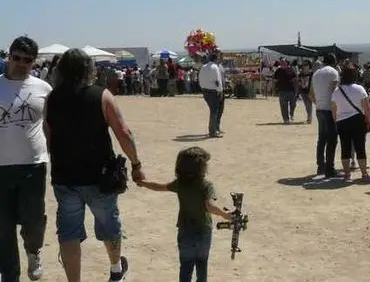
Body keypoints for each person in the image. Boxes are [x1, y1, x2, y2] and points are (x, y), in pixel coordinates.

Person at [44, 48, 145, 282]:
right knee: (109, 226)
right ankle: (116, 270)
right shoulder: (102, 95)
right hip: (100, 176)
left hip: (65, 176)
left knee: (68, 234)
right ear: (88, 70)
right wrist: (136, 163)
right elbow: (123, 133)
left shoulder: (52, 98)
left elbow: (48, 135)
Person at [136, 147, 233, 282]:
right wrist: (225, 214)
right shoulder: (206, 186)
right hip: (203, 231)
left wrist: (142, 182)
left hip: (185, 231)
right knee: (202, 264)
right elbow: (209, 206)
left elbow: (159, 186)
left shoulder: (180, 183)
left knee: (186, 267)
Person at [0, 36, 51, 282]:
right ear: (9, 56)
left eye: (27, 60)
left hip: (33, 165)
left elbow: (51, 126)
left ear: (33, 62)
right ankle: (10, 276)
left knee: (33, 219)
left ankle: (33, 251)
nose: (21, 63)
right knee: (2, 227)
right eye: (16, 58)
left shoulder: (43, 89)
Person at [331, 66, 370, 180]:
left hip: (342, 122)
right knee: (360, 147)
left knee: (345, 148)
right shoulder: (359, 89)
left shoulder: (336, 91)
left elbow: (334, 110)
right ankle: (364, 173)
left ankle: (347, 174)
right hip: (358, 120)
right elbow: (367, 108)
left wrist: (336, 122)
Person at [310, 54, 340, 178]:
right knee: (332, 140)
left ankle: (320, 166)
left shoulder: (316, 73)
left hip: (319, 109)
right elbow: (335, 92)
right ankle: (329, 168)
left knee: (322, 139)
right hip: (329, 109)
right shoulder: (333, 72)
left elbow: (311, 93)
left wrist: (318, 103)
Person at [198, 53, 224, 138]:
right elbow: (218, 81)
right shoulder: (215, 67)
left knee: (213, 110)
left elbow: (200, 79)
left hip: (205, 91)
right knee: (214, 111)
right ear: (216, 59)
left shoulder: (203, 67)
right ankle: (213, 131)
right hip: (213, 91)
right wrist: (220, 90)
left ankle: (214, 129)